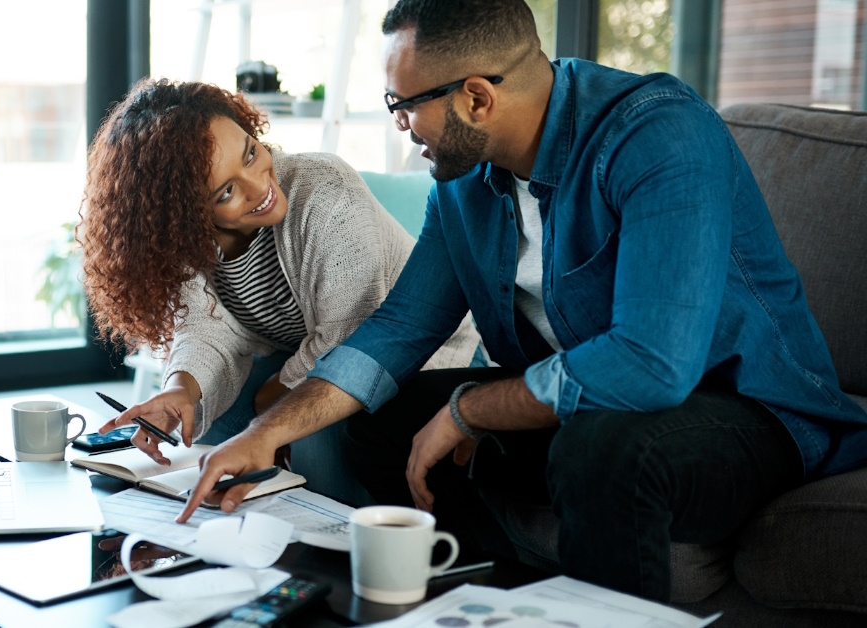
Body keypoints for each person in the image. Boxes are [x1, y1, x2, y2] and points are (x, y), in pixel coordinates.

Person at [178, 0, 867, 602]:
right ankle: (465, 595)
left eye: (404, 105)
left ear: (477, 97)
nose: (400, 126)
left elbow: (654, 365)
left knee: (602, 449)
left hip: (746, 414)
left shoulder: (659, 137)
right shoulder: (465, 181)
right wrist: (263, 434)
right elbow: (402, 327)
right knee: (372, 423)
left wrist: (471, 409)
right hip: (577, 403)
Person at [77, 78, 484, 505]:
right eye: (227, 192)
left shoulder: (326, 192)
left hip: (417, 357)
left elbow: (350, 341)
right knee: (209, 426)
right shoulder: (190, 244)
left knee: (309, 432)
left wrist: (269, 403)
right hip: (304, 356)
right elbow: (207, 329)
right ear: (186, 217)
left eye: (251, 153)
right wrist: (181, 390)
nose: (258, 186)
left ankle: (334, 537)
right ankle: (221, 528)